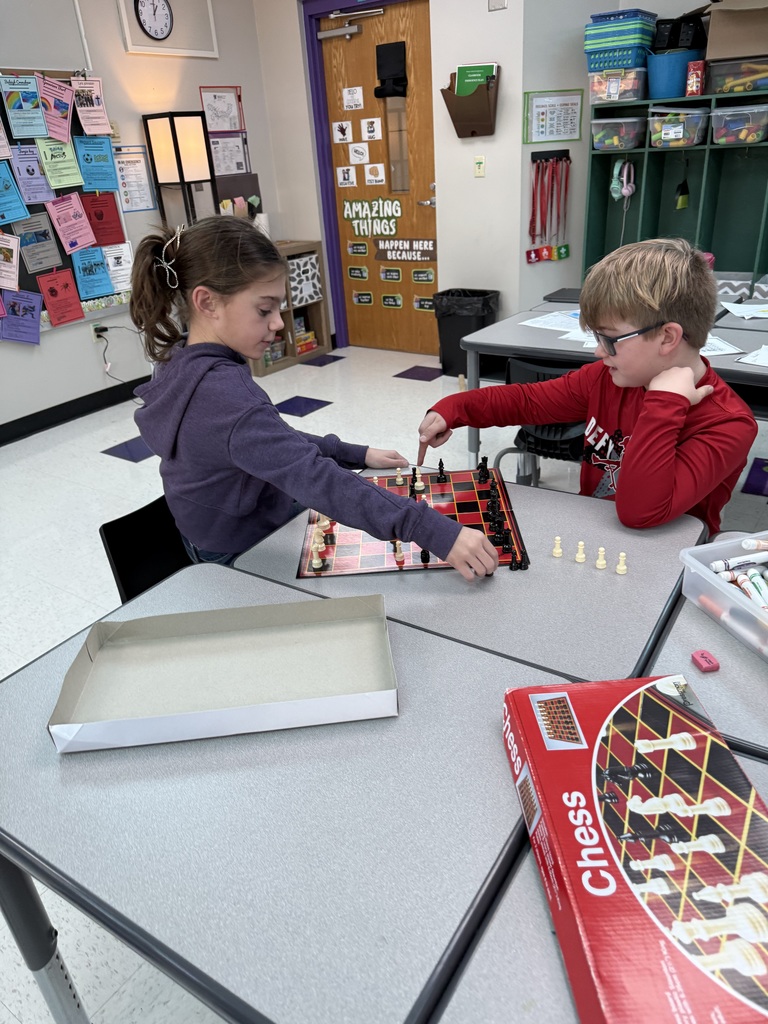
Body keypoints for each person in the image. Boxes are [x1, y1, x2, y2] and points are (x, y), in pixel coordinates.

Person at [130, 217, 497, 579]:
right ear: (207, 302)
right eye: (264, 309)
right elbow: (315, 478)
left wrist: (355, 454)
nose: (278, 323)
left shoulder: (180, 359)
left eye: (279, 308)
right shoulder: (225, 397)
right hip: (239, 551)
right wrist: (436, 531)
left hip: (209, 529)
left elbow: (268, 440)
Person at [417, 238, 757, 538]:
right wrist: (455, 408)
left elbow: (641, 512)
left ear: (667, 337)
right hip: (594, 533)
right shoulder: (606, 378)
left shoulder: (728, 424)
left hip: (664, 563)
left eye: (609, 339)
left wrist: (665, 403)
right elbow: (529, 401)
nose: (598, 352)